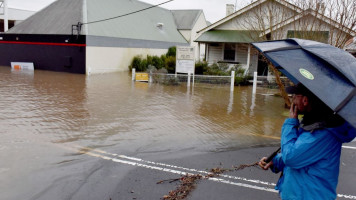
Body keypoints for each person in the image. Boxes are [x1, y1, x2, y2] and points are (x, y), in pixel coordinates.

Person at [259, 83, 356, 200]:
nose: (292, 99)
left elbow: (291, 157)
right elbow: (302, 155)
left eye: (295, 95)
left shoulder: (322, 133)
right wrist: (275, 161)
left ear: (305, 100)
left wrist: (290, 123)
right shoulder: (313, 122)